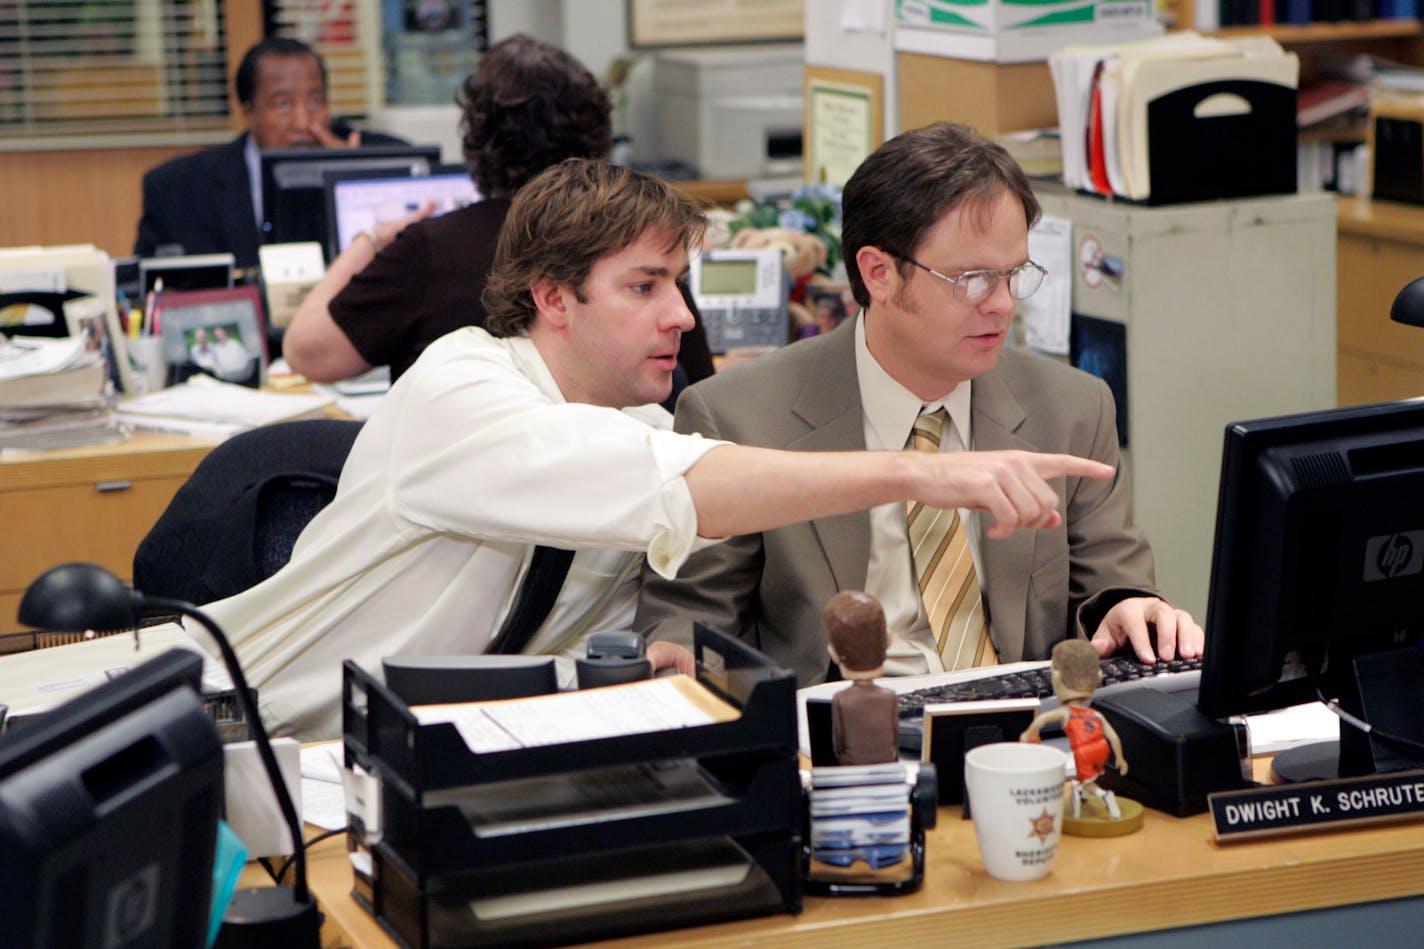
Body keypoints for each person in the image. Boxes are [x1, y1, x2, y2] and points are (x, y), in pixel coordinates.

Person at [200, 157, 1114, 741]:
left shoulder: (638, 426)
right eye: (644, 286)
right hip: (256, 728)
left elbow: (668, 587)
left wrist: (673, 650)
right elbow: (682, 490)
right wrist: (928, 470)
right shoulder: (460, 388)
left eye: (678, 283)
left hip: (426, 746)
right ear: (554, 297)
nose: (682, 315)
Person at [635, 123, 1204, 687]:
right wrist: (681, 662)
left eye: (1014, 274)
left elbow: (1111, 583)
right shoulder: (737, 417)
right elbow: (689, 621)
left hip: (1025, 728)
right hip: (844, 735)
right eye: (974, 279)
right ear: (878, 274)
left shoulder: (1072, 407)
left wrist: (1129, 611)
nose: (1002, 305)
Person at [281, 33, 714, 390]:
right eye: (645, 288)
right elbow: (697, 390)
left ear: (478, 138)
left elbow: (307, 352)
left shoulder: (431, 248)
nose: (679, 315)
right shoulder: (632, 245)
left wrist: (370, 240)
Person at [133, 36, 404, 269]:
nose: (302, 122)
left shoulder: (369, 154)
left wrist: (353, 178)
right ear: (249, 112)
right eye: (283, 104)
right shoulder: (177, 189)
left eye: (315, 101)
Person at [1020, 639, 1128, 819]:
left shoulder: (1066, 713)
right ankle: (1081, 795)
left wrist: (1028, 733)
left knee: (1088, 782)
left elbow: (1042, 719)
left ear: (1057, 677)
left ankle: (1103, 796)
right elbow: (1113, 737)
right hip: (1102, 749)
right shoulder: (1095, 714)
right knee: (1087, 777)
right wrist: (1119, 758)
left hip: (1084, 752)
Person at [825, 591, 898, 766]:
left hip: (852, 771)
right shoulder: (890, 696)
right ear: (887, 641)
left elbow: (838, 744)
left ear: (833, 653)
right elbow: (895, 738)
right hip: (887, 770)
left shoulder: (841, 700)